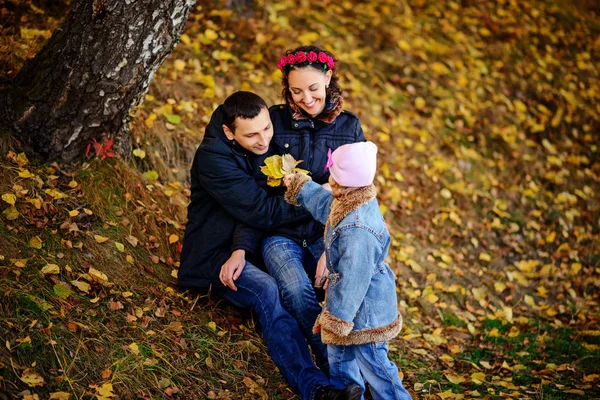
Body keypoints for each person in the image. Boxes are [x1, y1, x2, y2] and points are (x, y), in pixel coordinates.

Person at [178, 91, 361, 400]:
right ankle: (315, 388)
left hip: (245, 245)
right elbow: (261, 210)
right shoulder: (214, 158)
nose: (263, 140)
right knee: (268, 292)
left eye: (266, 128)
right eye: (252, 134)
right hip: (214, 255)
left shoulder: (252, 144)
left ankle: (346, 373)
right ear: (229, 132)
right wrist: (319, 199)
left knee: (311, 286)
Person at [251, 45, 366, 371]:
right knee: (298, 293)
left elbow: (356, 196)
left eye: (313, 88)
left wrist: (331, 250)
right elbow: (257, 181)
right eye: (296, 90)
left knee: (345, 294)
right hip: (280, 232)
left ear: (328, 78)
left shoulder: (349, 127)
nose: (306, 98)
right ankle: (336, 367)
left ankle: (362, 365)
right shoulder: (273, 120)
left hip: (325, 231)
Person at [282, 142, 413, 400]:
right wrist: (301, 186)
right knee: (340, 358)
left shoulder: (358, 229)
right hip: (347, 308)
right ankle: (348, 394)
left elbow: (354, 280)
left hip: (364, 313)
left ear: (346, 183)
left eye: (334, 176)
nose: (329, 179)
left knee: (374, 364)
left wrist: (337, 320)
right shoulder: (350, 200)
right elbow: (325, 206)